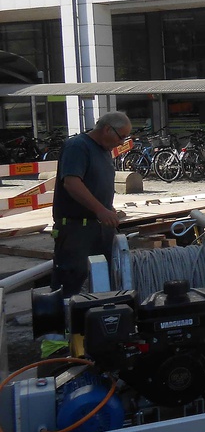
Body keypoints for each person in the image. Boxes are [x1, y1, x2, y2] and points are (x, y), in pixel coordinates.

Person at [50, 111, 132, 296]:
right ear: (107, 129)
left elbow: (94, 184)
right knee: (71, 281)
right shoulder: (77, 147)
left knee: (102, 279)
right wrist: (100, 210)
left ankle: (94, 320)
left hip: (98, 229)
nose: (122, 142)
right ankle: (66, 321)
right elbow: (71, 183)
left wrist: (107, 208)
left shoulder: (103, 150)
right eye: (121, 136)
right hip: (76, 230)